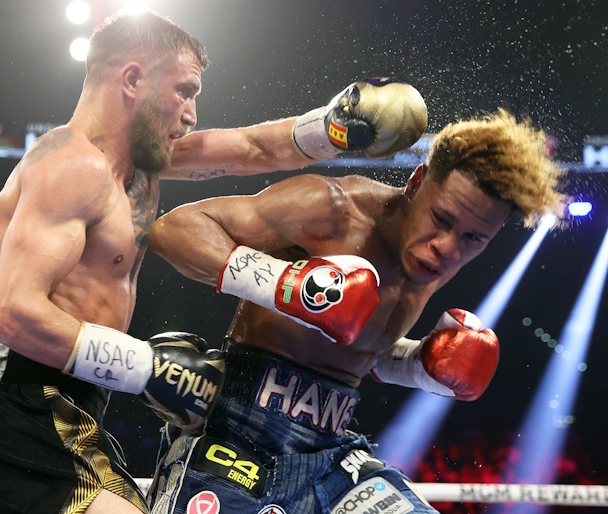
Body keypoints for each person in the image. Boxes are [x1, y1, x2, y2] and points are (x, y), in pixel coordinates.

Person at [0, 8, 428, 514]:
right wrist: (151, 370)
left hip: (63, 411)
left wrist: (334, 128)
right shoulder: (71, 166)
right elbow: (13, 316)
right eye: (184, 91)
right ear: (132, 80)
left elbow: (252, 149)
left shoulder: (139, 168)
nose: (191, 113)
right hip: (22, 415)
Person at [147, 108, 568, 513]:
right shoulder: (334, 210)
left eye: (474, 238)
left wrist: (417, 364)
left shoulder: (435, 256)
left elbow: (358, 343)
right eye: (441, 219)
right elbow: (175, 228)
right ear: (416, 182)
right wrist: (285, 284)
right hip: (238, 430)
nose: (448, 247)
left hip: (332, 453)